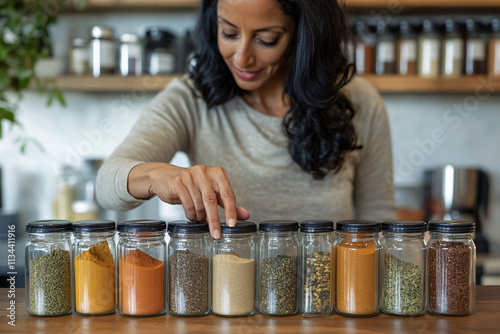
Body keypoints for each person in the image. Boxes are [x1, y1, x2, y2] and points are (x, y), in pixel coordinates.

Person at [96, 0, 395, 239]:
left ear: (303, 34)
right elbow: (107, 184)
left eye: (266, 40)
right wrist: (158, 176)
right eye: (229, 33)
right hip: (226, 308)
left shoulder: (359, 102)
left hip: (328, 309)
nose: (241, 58)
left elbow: (380, 225)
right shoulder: (191, 97)